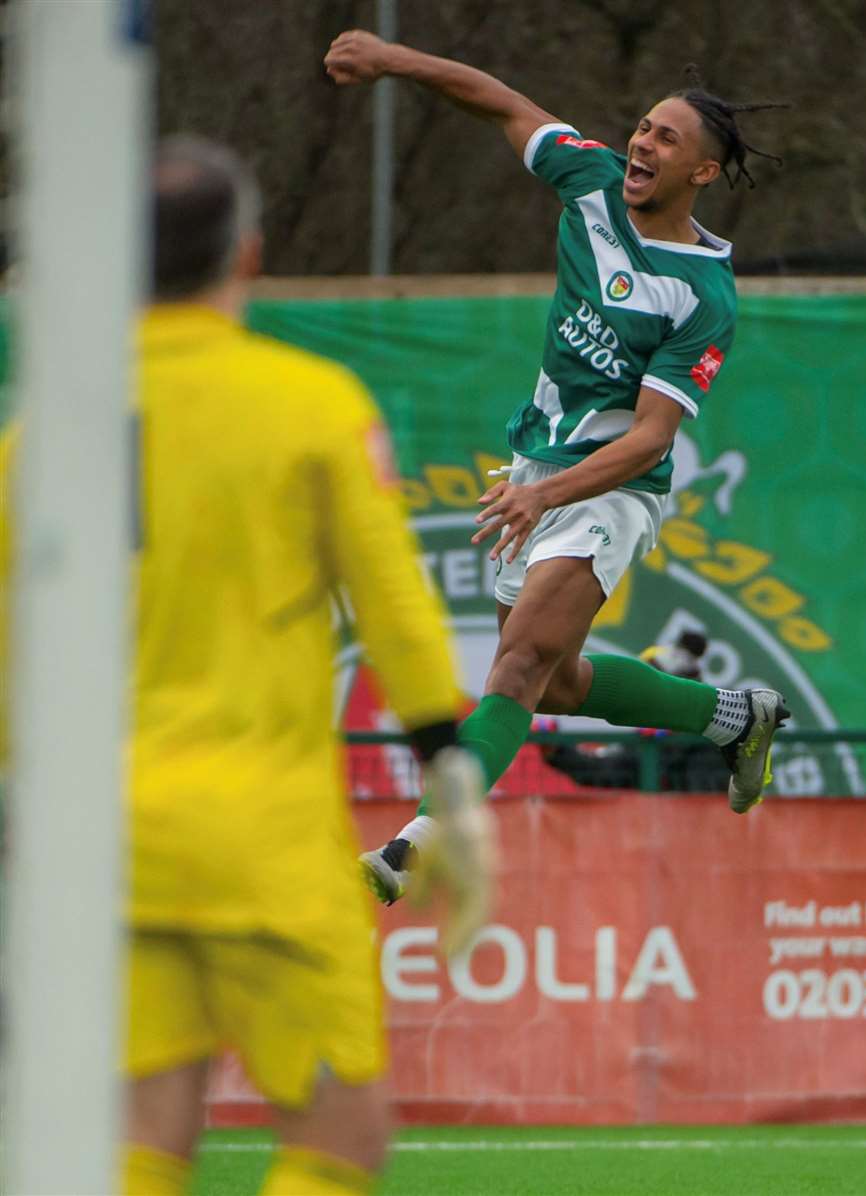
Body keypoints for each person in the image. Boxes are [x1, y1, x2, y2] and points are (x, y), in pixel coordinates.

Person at [1, 136, 493, 1196]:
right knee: (340, 1132)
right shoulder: (310, 402)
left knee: (144, 1123)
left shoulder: (41, 432)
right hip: (259, 832)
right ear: (251, 255)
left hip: (102, 840)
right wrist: (449, 768)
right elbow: (397, 605)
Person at [324, 32, 789, 906]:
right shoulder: (590, 179)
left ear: (703, 174)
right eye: (643, 129)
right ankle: (734, 717)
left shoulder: (702, 296)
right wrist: (392, 57)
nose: (642, 146)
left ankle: (422, 838)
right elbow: (500, 98)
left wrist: (546, 497)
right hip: (536, 462)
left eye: (665, 141)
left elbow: (651, 439)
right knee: (556, 675)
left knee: (516, 667)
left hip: (610, 489)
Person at [538, 632, 735, 792]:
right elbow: (607, 772)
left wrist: (673, 738)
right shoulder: (647, 739)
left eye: (652, 683)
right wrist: (558, 751)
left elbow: (708, 798)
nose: (644, 694)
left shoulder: (711, 740)